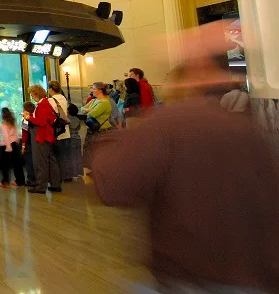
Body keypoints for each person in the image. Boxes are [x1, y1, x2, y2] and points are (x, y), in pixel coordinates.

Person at [94, 44, 279, 292]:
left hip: (189, 272)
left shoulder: (168, 124)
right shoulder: (247, 130)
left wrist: (107, 144)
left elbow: (115, 186)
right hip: (246, 273)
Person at [24, 84, 61, 194]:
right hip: (47, 136)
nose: (31, 97)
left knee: (40, 162)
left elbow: (41, 122)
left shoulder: (43, 104)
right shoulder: (45, 103)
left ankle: (40, 186)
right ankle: (55, 184)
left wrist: (28, 117)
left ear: (36, 94)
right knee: (51, 161)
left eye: (32, 94)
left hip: (41, 136)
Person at [80, 82, 114, 169]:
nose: (92, 91)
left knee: (99, 152)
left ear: (99, 91)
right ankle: (94, 169)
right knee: (91, 151)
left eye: (94, 89)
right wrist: (87, 109)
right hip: (92, 129)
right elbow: (82, 109)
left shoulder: (105, 102)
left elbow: (91, 114)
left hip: (101, 131)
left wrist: (87, 110)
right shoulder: (94, 100)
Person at [47, 80, 71, 178]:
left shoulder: (51, 100)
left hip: (56, 131)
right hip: (65, 129)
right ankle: (67, 174)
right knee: (65, 154)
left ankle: (58, 175)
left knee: (56, 155)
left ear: (51, 89)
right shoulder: (64, 99)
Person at [0, 108, 24, 188]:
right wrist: (16, 143)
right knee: (17, 163)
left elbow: (6, 136)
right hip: (14, 144)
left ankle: (5, 181)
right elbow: (16, 135)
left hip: (6, 145)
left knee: (5, 165)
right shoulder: (13, 123)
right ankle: (20, 180)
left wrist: (8, 147)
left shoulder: (4, 124)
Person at [62, 103, 83, 180]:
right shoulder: (77, 119)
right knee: (78, 155)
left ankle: (72, 173)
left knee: (71, 156)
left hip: (70, 138)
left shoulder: (67, 118)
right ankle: (79, 172)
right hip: (77, 138)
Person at [21, 102, 36, 187]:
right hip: (35, 142)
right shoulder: (34, 118)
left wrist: (23, 145)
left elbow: (25, 133)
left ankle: (31, 180)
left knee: (29, 162)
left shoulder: (26, 120)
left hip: (28, 144)